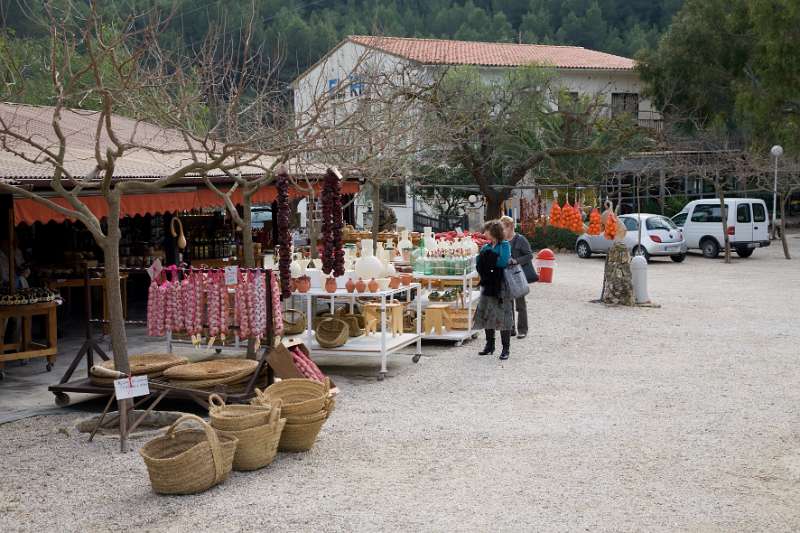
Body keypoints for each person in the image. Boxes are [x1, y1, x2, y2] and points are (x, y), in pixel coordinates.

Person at [473, 220, 515, 360]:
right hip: (489, 285)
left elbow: (502, 262)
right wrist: (486, 257)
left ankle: (505, 349)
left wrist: (487, 257)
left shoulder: (504, 245)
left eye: (487, 230)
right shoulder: (487, 246)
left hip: (501, 286)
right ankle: (489, 345)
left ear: (493, 232)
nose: (484, 233)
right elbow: (479, 262)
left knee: (503, 316)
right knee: (487, 314)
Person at [500, 215, 533, 339]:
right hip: (505, 276)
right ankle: (511, 328)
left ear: (510, 227)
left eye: (504, 228)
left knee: (520, 304)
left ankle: (523, 330)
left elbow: (529, 255)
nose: (502, 231)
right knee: (508, 304)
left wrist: (516, 261)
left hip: (517, 276)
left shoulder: (520, 239)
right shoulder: (501, 241)